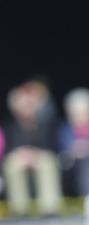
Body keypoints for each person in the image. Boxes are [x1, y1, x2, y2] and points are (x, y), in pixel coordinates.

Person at [3, 79, 62, 217]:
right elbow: (8, 149)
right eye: (23, 104)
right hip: (20, 159)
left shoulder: (47, 123)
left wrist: (34, 155)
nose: (27, 107)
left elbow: (52, 146)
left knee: (48, 162)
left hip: (40, 158)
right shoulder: (9, 126)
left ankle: (49, 209)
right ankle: (19, 209)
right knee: (12, 164)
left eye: (31, 104)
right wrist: (23, 155)